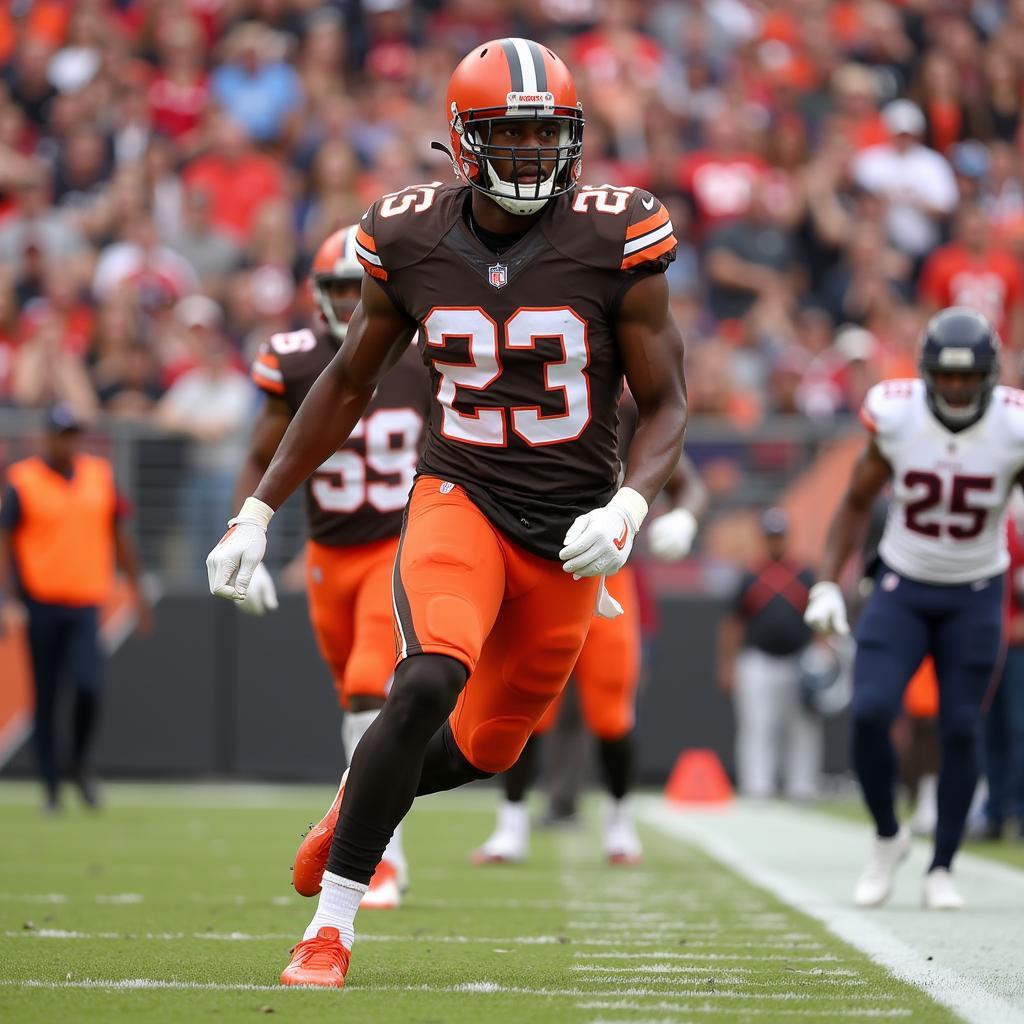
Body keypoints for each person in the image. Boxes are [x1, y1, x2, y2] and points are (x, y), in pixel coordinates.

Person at [207, 37, 686, 988]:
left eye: (546, 138)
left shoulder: (617, 231)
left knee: (484, 746)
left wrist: (629, 505)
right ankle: (331, 929)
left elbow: (668, 401)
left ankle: (352, 803)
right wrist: (257, 511)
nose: (530, 159)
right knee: (424, 681)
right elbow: (348, 382)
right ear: (463, 144)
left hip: (570, 532)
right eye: (508, 140)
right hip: (458, 491)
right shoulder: (407, 234)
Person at [235, 224, 430, 908]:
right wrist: (247, 530)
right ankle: (377, 846)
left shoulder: (426, 350)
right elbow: (263, 454)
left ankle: (382, 858)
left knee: (368, 693)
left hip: (394, 544)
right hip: (326, 553)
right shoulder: (292, 360)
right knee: (352, 700)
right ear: (317, 294)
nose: (351, 302)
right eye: (338, 289)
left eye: (361, 288)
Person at [804, 307, 1022, 910]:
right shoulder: (897, 415)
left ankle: (942, 866)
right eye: (945, 377)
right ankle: (887, 836)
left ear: (988, 375)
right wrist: (827, 583)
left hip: (978, 590)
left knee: (959, 726)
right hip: (902, 582)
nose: (955, 388)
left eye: (967, 377)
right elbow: (854, 500)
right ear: (927, 374)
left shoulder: (1013, 426)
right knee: (871, 711)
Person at [472, 442, 706, 865]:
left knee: (611, 714)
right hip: (541, 573)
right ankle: (511, 825)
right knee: (526, 711)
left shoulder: (628, 419)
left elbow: (685, 479)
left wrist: (685, 517)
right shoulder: (528, 408)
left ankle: (619, 825)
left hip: (608, 584)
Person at [0, 404, 152, 811]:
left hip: (86, 601)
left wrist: (138, 591)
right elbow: (5, 541)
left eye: (73, 434)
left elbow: (120, 534)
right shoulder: (23, 480)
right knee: (46, 697)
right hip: (41, 601)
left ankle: (79, 762)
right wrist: (7, 598)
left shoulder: (98, 475)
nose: (67, 442)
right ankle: (51, 788)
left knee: (89, 687)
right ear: (46, 437)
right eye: (61, 434)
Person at [717, 508, 821, 800]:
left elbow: (820, 619)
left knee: (802, 728)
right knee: (757, 727)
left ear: (787, 537)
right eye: (771, 536)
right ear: (763, 538)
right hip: (757, 660)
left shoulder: (805, 573)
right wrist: (727, 665)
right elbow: (733, 623)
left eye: (780, 536)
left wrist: (823, 654)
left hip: (800, 659)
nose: (776, 542)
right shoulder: (750, 575)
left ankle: (802, 787)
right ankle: (757, 786)